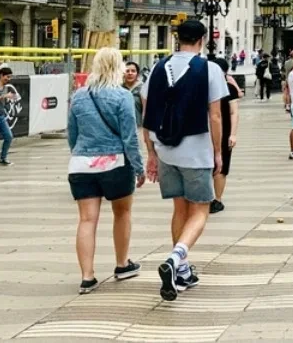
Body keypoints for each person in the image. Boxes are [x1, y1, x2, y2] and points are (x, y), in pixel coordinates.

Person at [141, 19, 229, 302]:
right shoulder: (210, 69)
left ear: (177, 38)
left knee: (180, 208)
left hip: (165, 149)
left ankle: (180, 271)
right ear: (202, 39)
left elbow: (147, 111)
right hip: (196, 150)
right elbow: (215, 115)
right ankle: (175, 257)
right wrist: (218, 152)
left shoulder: (157, 67)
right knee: (201, 210)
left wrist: (151, 152)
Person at [67, 48, 144, 294]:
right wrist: (139, 167)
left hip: (82, 164)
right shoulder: (123, 97)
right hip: (115, 163)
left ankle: (87, 276)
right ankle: (122, 264)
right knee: (122, 213)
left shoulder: (78, 96)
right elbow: (130, 137)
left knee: (87, 219)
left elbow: (72, 133)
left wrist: (81, 153)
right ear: (118, 67)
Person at [209, 58, 242, 214]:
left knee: (222, 167)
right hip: (205, 131)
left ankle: (217, 199)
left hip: (224, 131)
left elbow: (234, 112)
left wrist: (233, 134)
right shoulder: (204, 87)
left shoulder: (229, 88)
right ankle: (205, 197)